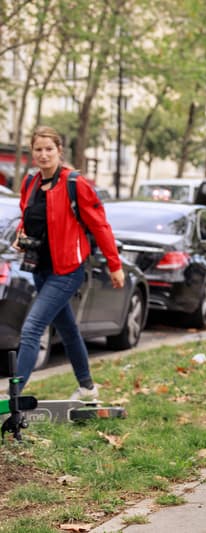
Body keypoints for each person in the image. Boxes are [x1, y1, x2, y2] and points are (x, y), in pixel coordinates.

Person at [12, 126, 125, 398]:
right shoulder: (30, 183)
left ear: (59, 151)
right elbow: (27, 219)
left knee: (31, 329)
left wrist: (115, 265)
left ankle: (13, 398)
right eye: (38, 150)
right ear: (32, 153)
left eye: (49, 149)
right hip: (40, 268)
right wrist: (20, 236)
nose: (43, 155)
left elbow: (100, 226)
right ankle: (87, 387)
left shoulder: (75, 184)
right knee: (68, 330)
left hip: (67, 270)